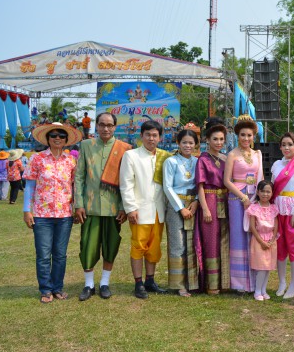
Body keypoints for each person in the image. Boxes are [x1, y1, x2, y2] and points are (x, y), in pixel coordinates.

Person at [74, 113, 132, 301]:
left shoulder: (125, 149)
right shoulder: (86, 145)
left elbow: (127, 181)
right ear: (96, 126)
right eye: (102, 125)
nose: (105, 128)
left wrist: (123, 207)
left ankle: (104, 283)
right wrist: (79, 204)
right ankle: (89, 285)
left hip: (114, 208)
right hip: (90, 207)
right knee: (87, 246)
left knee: (110, 246)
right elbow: (79, 177)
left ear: (115, 127)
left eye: (109, 125)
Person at [23, 122, 81, 303]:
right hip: (41, 215)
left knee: (60, 255)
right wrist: (26, 210)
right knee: (43, 255)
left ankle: (57, 288)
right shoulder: (37, 159)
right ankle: (45, 290)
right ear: (47, 139)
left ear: (66, 140)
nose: (57, 138)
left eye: (61, 135)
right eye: (53, 135)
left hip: (64, 215)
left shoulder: (71, 161)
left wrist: (77, 208)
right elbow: (29, 186)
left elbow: (75, 186)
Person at [120, 120, 170, 299]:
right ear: (141, 136)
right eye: (148, 135)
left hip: (159, 210)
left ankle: (150, 280)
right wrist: (130, 208)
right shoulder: (131, 155)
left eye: (155, 135)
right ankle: (138, 283)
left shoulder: (164, 157)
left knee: (154, 247)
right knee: (138, 246)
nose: (151, 138)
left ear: (160, 137)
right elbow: (126, 184)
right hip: (139, 210)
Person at [224, 115, 263, 292]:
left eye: (249, 135)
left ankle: (255, 281)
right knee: (239, 236)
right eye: (242, 135)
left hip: (254, 197)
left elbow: (260, 177)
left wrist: (258, 198)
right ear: (237, 136)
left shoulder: (257, 154)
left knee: (254, 235)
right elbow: (227, 180)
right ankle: (239, 283)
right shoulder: (232, 154)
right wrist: (243, 197)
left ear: (253, 136)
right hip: (237, 199)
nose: (246, 138)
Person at [271, 132, 294, 299]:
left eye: (290, 144)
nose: (287, 147)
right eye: (284, 144)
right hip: (278, 208)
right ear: (280, 147)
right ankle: (282, 282)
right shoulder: (276, 165)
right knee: (279, 246)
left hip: (293, 208)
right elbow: (273, 187)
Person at [163, 129, 200, 297]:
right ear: (178, 143)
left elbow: (200, 184)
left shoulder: (197, 162)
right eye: (184, 142)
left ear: (196, 144)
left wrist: (196, 201)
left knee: (192, 244)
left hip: (193, 205)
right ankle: (179, 285)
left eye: (191, 143)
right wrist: (181, 208)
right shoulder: (171, 161)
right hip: (175, 205)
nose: (188, 145)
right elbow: (167, 187)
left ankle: (192, 282)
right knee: (177, 244)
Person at [195, 119, 230, 294]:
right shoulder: (203, 159)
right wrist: (205, 208)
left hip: (225, 200)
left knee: (224, 240)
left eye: (221, 139)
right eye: (215, 139)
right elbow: (200, 186)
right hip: (209, 199)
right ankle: (211, 284)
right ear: (207, 140)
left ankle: (224, 282)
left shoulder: (226, 158)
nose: (218, 142)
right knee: (210, 241)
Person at [245, 180, 279, 301]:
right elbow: (252, 227)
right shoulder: (254, 208)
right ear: (258, 192)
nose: (265, 194)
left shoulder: (273, 208)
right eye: (263, 191)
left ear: (272, 193)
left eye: (268, 191)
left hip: (271, 240)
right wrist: (262, 242)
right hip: (259, 240)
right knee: (261, 268)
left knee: (268, 267)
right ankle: (257, 291)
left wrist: (272, 240)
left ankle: (264, 290)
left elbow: (276, 226)